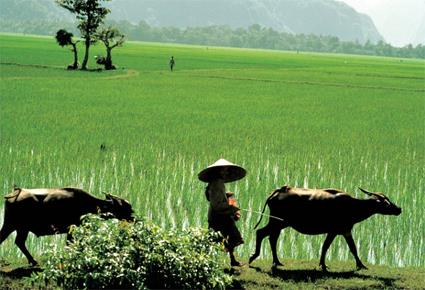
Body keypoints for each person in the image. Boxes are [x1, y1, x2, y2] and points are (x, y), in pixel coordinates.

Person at [198, 158, 246, 267]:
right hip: (219, 216)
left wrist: (226, 196)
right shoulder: (216, 184)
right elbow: (217, 204)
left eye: (226, 170)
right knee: (223, 238)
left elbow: (217, 198)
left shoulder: (216, 183)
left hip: (219, 215)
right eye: (224, 170)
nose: (226, 172)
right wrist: (232, 207)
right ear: (217, 172)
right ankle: (208, 262)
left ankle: (231, 260)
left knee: (225, 238)